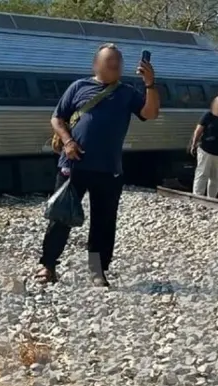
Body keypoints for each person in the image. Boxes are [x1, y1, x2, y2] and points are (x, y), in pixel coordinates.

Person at [38, 43, 159, 287]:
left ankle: (97, 271)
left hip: (108, 169)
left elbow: (150, 113)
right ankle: (48, 266)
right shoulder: (78, 87)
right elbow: (57, 118)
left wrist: (149, 84)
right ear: (96, 64)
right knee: (60, 216)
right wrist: (68, 141)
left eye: (118, 61)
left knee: (103, 222)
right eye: (109, 60)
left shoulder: (127, 92)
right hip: (73, 165)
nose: (114, 65)